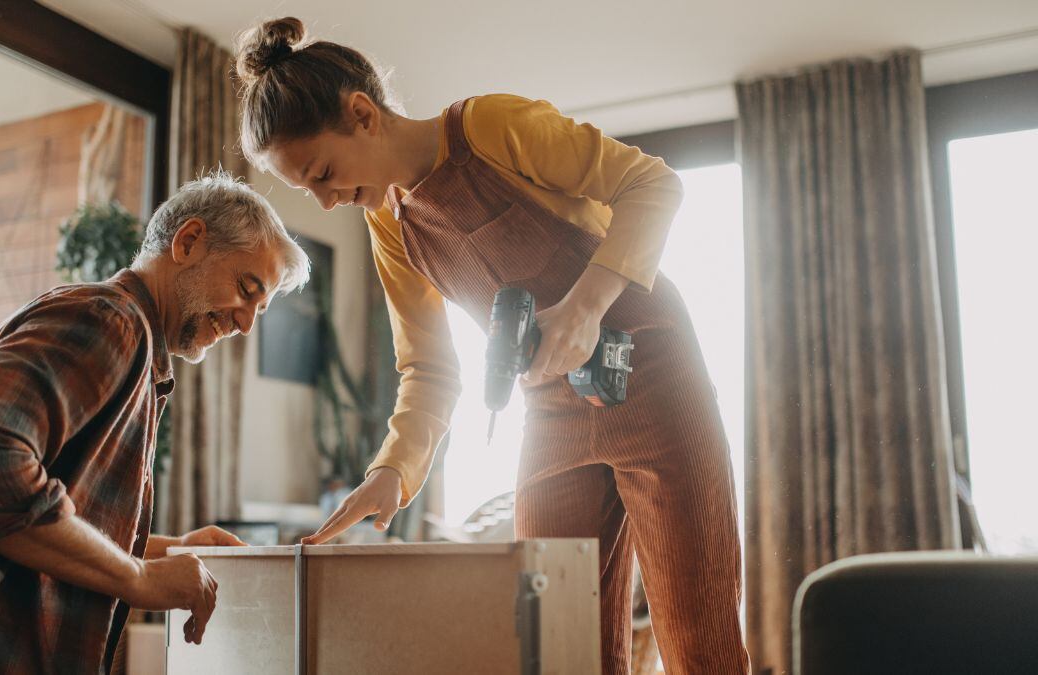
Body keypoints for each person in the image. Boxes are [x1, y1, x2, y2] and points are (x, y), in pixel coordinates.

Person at [233, 18, 749, 675]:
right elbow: (427, 364)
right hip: (550, 404)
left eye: (323, 173)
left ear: (361, 114)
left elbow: (653, 184)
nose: (326, 201)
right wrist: (390, 473)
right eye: (308, 191)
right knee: (556, 646)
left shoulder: (490, 127)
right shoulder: (389, 227)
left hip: (649, 364)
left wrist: (586, 307)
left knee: (700, 649)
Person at [0, 171, 310, 674]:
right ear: (189, 242)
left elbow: (39, 523)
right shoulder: (111, 322)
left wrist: (164, 549)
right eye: (245, 289)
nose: (244, 324)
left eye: (259, 309)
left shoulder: (131, 343)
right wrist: (137, 576)